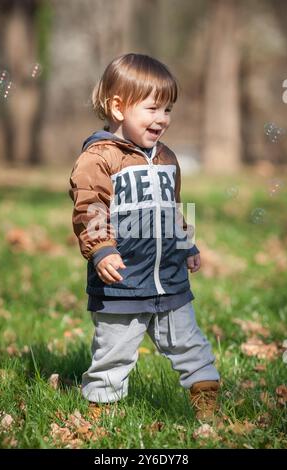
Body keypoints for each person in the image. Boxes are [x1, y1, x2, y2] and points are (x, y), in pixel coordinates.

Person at [69, 53, 220, 421]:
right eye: (153, 108)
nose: (163, 119)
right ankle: (101, 412)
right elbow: (89, 205)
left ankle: (206, 398)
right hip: (121, 282)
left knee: (189, 341)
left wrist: (186, 244)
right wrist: (101, 249)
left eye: (168, 109)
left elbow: (173, 207)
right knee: (114, 351)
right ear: (118, 107)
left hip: (169, 281)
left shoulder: (167, 157)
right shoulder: (100, 157)